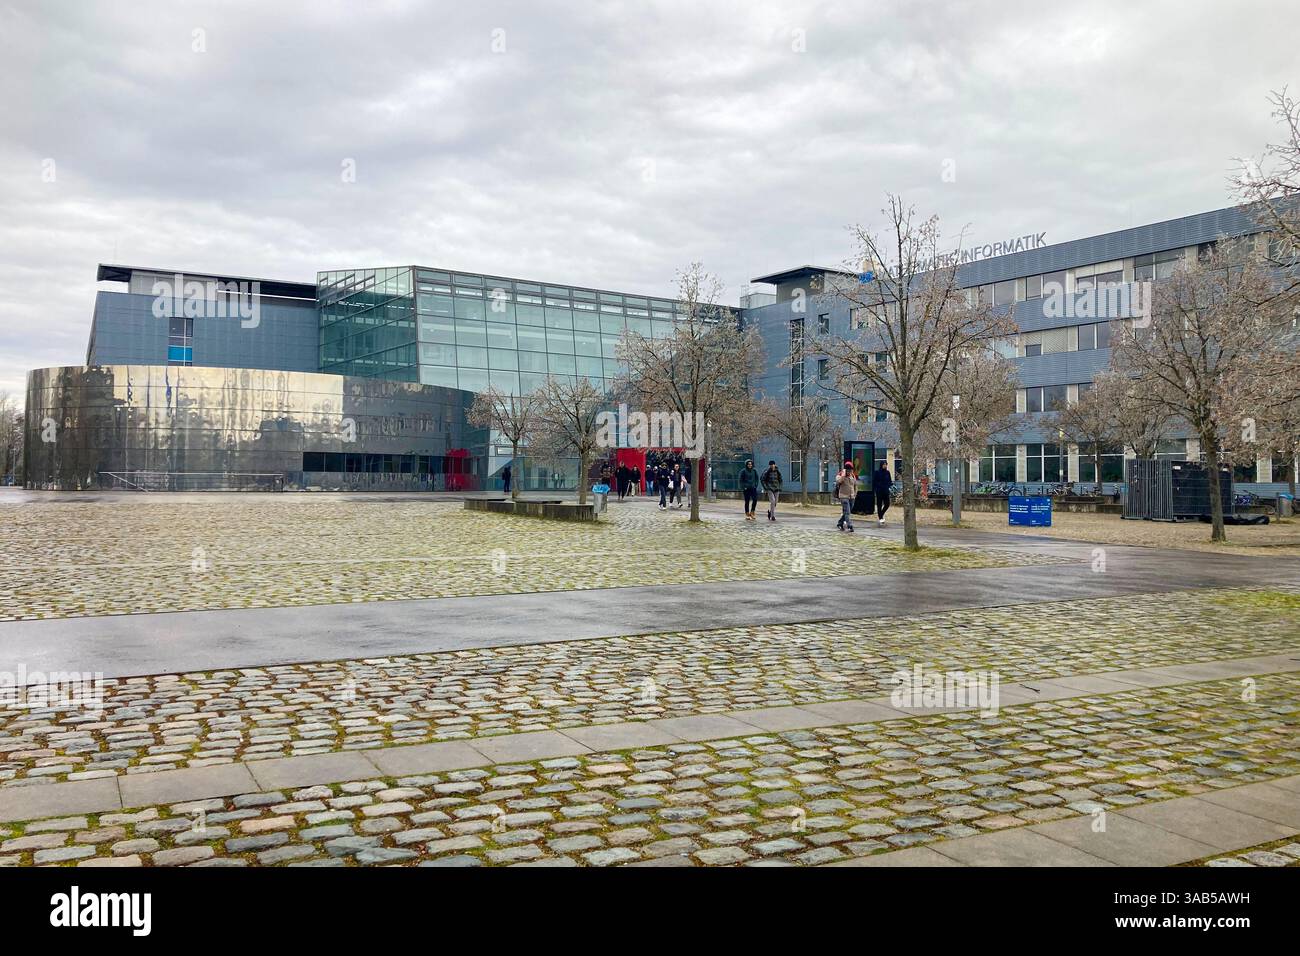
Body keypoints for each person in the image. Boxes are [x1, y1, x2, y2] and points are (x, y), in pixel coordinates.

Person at [834, 460, 858, 532]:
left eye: (850, 470)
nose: (849, 472)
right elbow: (839, 481)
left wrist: (855, 493)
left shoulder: (852, 475)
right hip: (843, 496)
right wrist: (843, 475)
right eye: (848, 470)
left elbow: (855, 485)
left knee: (847, 512)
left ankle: (840, 523)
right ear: (845, 469)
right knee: (847, 511)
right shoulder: (840, 475)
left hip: (852, 497)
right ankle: (849, 525)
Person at [872, 461, 893, 526]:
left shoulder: (887, 473)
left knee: (887, 504)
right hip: (879, 491)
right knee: (879, 505)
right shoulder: (877, 472)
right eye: (884, 464)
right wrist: (877, 488)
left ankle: (881, 514)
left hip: (885, 491)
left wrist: (889, 485)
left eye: (886, 464)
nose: (885, 466)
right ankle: (880, 518)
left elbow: (889, 481)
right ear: (881, 465)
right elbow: (874, 482)